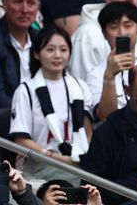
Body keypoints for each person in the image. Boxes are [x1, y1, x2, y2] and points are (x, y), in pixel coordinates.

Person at [8, 24, 93, 175]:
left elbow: (87, 132)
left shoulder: (81, 87)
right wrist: (55, 158)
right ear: (36, 54)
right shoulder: (25, 91)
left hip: (78, 162)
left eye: (63, 50)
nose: (58, 55)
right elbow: (20, 140)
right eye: (50, 49)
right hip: (39, 164)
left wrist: (83, 157)